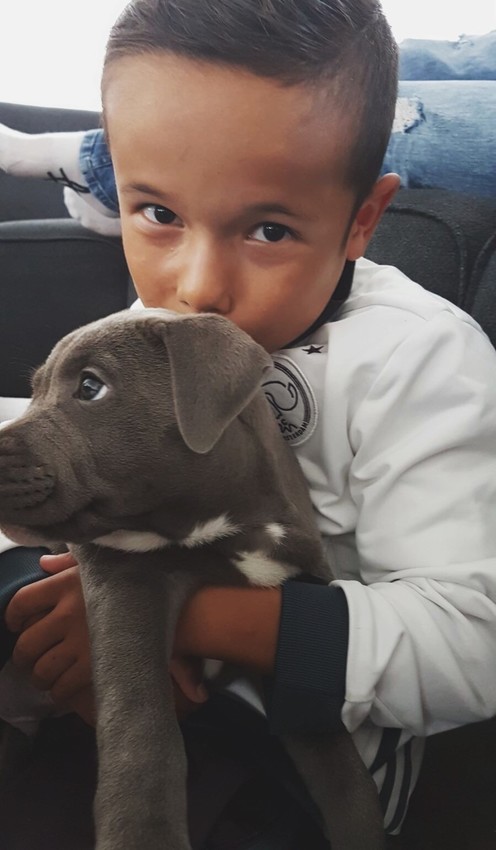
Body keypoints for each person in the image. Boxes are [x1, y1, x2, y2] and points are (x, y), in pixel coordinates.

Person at [1, 0, 496, 846]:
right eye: (158, 215)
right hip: (122, 698)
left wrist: (178, 620)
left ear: (363, 220)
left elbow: (473, 643)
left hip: (296, 751)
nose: (197, 286)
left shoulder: (420, 361)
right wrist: (50, 608)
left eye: (268, 229)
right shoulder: (143, 332)